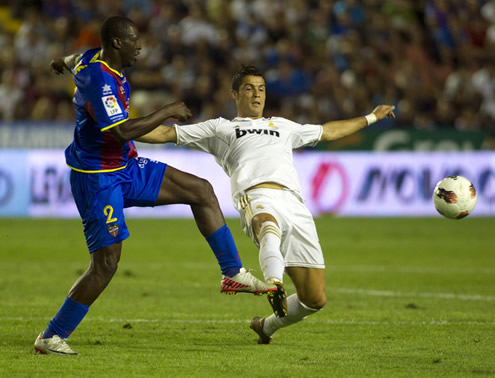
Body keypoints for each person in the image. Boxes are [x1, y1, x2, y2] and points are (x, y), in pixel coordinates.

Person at [34, 18, 276, 356]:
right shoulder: (99, 80)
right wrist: (168, 111)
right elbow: (121, 131)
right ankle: (51, 336)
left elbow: (75, 59)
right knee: (106, 264)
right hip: (97, 177)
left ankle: (232, 272)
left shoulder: (91, 58)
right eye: (134, 40)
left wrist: (61, 61)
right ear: (117, 44)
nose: (140, 45)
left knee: (201, 190)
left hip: (126, 166)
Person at [148, 65, 396, 344]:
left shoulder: (283, 126)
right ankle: (273, 283)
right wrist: (118, 131)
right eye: (249, 88)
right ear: (234, 94)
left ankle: (265, 327)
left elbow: (327, 132)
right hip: (255, 195)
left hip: (295, 204)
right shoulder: (221, 128)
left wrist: (372, 116)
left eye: (262, 89)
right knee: (267, 224)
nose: (257, 94)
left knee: (314, 299)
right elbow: (166, 135)